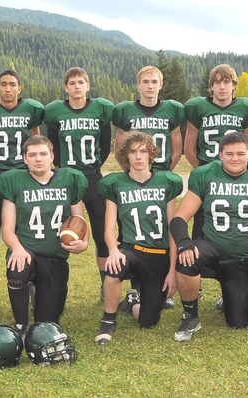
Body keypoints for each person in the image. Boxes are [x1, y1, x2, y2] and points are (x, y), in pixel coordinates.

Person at [169, 132, 248, 342]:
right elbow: (179, 219)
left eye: (241, 153)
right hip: (212, 248)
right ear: (220, 155)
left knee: (239, 323)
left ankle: (232, 297)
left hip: (244, 257)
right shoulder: (206, 174)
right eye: (229, 154)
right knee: (187, 259)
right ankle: (190, 316)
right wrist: (184, 243)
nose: (235, 158)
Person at [94, 132, 183, 345]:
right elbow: (108, 228)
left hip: (159, 256)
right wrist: (114, 251)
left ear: (151, 154)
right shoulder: (116, 184)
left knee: (148, 322)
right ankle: (108, 320)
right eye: (133, 152)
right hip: (131, 251)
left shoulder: (166, 182)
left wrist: (172, 271)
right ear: (126, 156)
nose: (138, 157)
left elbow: (173, 229)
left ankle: (132, 302)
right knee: (113, 268)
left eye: (143, 151)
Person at [0, 135, 89, 333]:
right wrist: (17, 248)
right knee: (18, 268)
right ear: (25, 158)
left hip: (54, 257)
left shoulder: (70, 180)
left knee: (47, 322)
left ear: (52, 156)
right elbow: (7, 228)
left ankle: (37, 291)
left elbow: (79, 221)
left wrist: (84, 243)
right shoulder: (14, 181)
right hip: (28, 250)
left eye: (43, 154)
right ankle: (21, 326)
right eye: (32, 155)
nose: (38, 159)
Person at [112, 65, 185, 308]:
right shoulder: (126, 111)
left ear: (160, 85)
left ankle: (160, 281)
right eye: (145, 81)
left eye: (154, 81)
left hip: (160, 175)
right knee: (133, 227)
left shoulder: (171, 110)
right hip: (134, 178)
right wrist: (132, 175)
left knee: (162, 229)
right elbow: (119, 149)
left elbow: (176, 148)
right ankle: (135, 288)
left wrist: (161, 174)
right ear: (138, 84)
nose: (150, 86)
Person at [45, 66, 113, 303]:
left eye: (80, 82)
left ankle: (107, 284)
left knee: (102, 234)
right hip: (65, 178)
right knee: (53, 231)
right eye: (72, 83)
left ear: (88, 85)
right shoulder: (55, 112)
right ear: (65, 88)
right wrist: (63, 173)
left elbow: (106, 145)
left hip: (93, 176)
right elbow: (52, 146)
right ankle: (46, 284)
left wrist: (92, 169)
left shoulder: (99, 109)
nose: (76, 86)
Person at [184, 64, 248, 240]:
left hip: (236, 177)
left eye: (226, 82)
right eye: (217, 83)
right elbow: (189, 149)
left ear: (234, 85)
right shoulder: (198, 107)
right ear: (211, 86)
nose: (222, 87)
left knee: (234, 219)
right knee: (202, 223)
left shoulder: (245, 108)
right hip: (207, 175)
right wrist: (206, 170)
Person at [0, 69, 44, 247]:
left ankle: (23, 269)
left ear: (20, 88)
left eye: (12, 84)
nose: (8, 89)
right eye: (3, 84)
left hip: (23, 174)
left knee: (24, 227)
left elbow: (36, 145)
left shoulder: (31, 110)